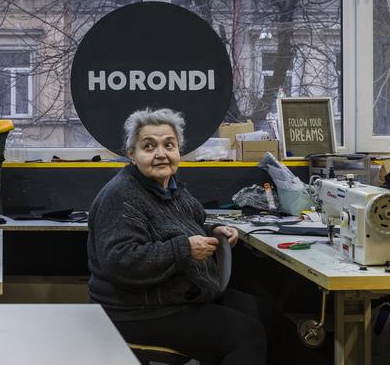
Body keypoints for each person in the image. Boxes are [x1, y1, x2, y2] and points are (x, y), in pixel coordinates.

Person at [87, 108, 266, 365]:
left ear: (178, 151)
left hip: (173, 294)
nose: (161, 153)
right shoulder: (121, 196)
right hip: (134, 311)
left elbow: (178, 228)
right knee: (246, 335)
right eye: (149, 146)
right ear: (131, 154)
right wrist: (184, 249)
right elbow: (121, 260)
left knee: (267, 316)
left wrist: (211, 232)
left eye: (169, 145)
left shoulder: (171, 188)